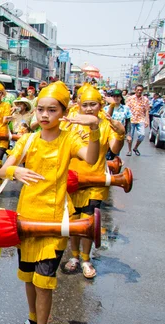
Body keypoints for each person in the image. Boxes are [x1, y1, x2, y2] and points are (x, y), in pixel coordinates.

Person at [0, 81, 100, 324]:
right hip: (26, 218)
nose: (44, 115)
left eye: (52, 110)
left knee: (44, 280)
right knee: (28, 277)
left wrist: (93, 128)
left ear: (64, 113)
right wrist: (16, 170)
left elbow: (91, 159)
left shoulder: (69, 140)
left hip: (55, 221)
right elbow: (4, 168)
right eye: (41, 109)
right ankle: (32, 319)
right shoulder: (28, 140)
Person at [63, 86, 125, 278]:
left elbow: (114, 149)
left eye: (93, 105)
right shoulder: (72, 123)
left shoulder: (106, 124)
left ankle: (86, 259)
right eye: (85, 105)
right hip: (72, 181)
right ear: (79, 105)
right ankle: (74, 257)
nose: (89, 109)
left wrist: (121, 134)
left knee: (88, 222)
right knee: (73, 223)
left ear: (101, 105)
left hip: (94, 181)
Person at [125, 84, 150, 156]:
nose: (139, 91)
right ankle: (129, 150)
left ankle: (135, 147)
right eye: (138, 90)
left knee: (142, 135)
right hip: (131, 119)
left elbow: (147, 110)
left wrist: (147, 120)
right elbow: (126, 109)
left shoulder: (145, 99)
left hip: (140, 119)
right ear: (135, 90)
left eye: (141, 90)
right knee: (130, 137)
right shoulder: (130, 98)